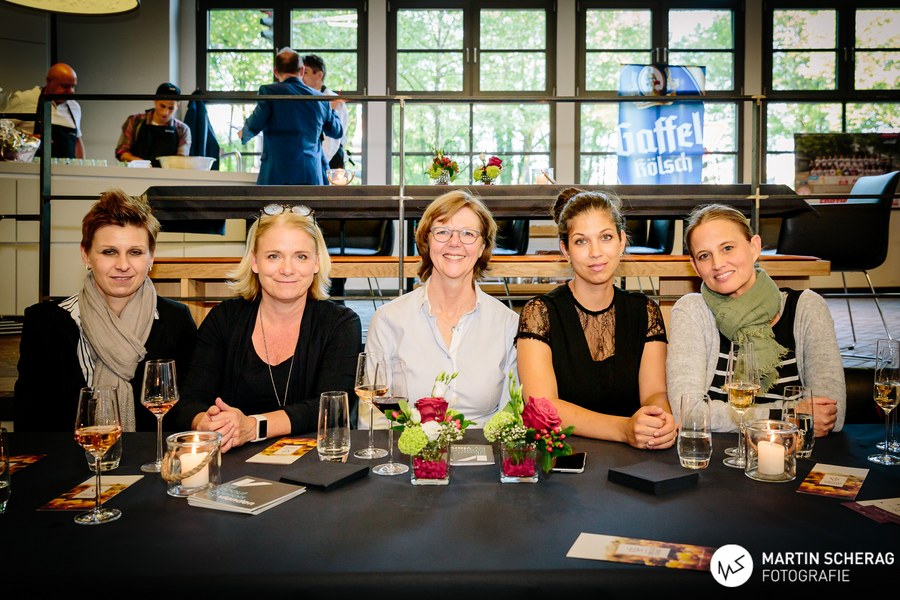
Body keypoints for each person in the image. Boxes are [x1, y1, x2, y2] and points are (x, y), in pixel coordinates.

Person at [175, 203, 362, 453]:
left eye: (301, 256)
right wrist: (208, 423)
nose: (287, 269)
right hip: (232, 463)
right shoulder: (224, 318)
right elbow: (188, 402)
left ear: (317, 263)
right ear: (254, 261)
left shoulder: (340, 323)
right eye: (273, 256)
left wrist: (253, 427)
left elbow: (331, 407)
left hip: (317, 463)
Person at [14, 189, 197, 432]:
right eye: (109, 252)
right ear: (85, 255)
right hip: (67, 456)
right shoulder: (45, 323)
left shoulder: (177, 320)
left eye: (135, 252)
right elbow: (29, 421)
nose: (123, 265)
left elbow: (188, 409)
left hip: (152, 454)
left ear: (151, 257)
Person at [515, 187, 675, 449]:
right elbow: (543, 406)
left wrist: (658, 420)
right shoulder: (540, 313)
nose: (596, 252)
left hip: (634, 460)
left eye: (606, 237)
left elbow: (655, 392)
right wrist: (624, 429)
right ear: (565, 250)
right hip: (564, 458)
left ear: (621, 241)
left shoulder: (645, 311)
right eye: (581, 241)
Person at [666, 203, 845, 435]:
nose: (717, 264)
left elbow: (830, 415)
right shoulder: (692, 311)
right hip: (718, 453)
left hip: (793, 452)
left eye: (727, 248)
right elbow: (688, 413)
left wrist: (728, 416)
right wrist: (788, 415)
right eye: (704, 256)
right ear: (695, 266)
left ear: (754, 247)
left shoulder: (806, 308)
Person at [363, 190, 519, 429]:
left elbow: (510, 417)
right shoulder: (388, 320)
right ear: (426, 242)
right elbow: (373, 417)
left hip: (484, 449)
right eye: (443, 232)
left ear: (482, 247)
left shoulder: (508, 324)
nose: (454, 242)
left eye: (468, 234)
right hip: (407, 449)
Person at [238, 47, 344, 185]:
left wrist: (243, 133)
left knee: (273, 201)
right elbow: (337, 131)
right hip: (310, 173)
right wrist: (333, 109)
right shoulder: (320, 98)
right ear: (302, 70)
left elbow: (255, 123)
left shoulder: (269, 92)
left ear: (276, 72)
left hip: (276, 173)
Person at [6, 62, 84, 159]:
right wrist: (29, 138)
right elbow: (3, 132)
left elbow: (77, 141)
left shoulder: (74, 107)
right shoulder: (24, 99)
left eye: (73, 86)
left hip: (66, 168)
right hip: (30, 167)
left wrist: (82, 165)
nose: (71, 91)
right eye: (65, 86)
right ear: (49, 81)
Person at [115, 82, 191, 167]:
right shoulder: (135, 121)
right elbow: (121, 151)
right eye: (162, 106)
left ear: (178, 106)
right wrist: (141, 163)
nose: (165, 112)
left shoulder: (182, 129)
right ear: (155, 101)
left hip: (167, 174)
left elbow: (181, 159)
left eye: (171, 108)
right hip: (137, 172)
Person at [301, 53, 349, 170]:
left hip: (329, 162)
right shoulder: (302, 99)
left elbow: (332, 142)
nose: (301, 77)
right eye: (300, 72)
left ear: (319, 75)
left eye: (305, 72)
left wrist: (317, 165)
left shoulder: (333, 100)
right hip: (308, 160)